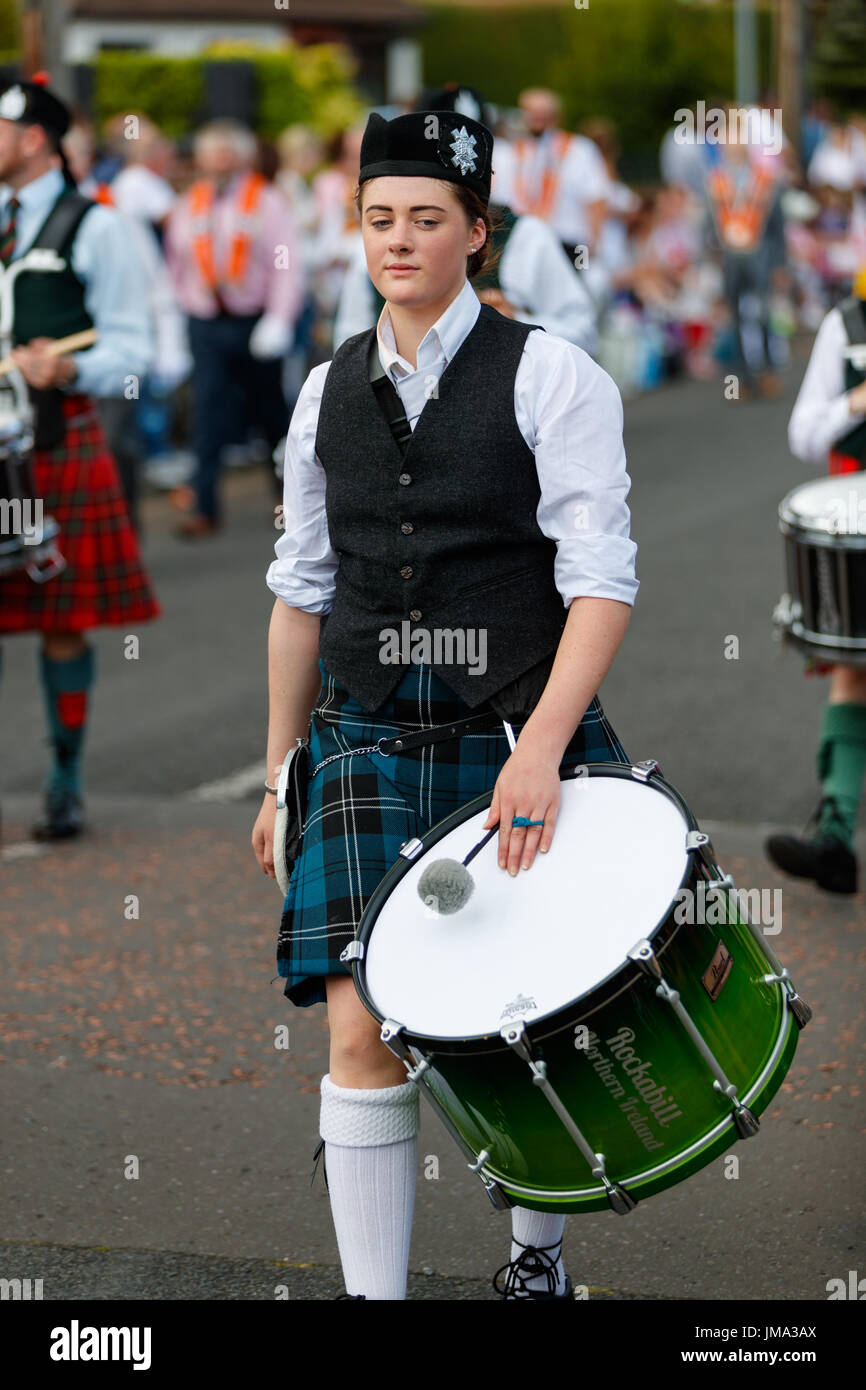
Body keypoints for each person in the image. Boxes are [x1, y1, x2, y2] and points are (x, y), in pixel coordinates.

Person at [253, 108, 639, 1300]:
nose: (398, 241)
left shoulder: (551, 373)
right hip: (362, 734)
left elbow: (601, 581)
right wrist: (279, 770)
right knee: (361, 1029)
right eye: (378, 220)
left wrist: (546, 751)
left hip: (512, 725)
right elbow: (299, 592)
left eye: (426, 220)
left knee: (520, 1016)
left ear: (476, 234)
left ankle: (535, 1261)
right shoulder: (321, 391)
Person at [0, 74, 160, 840]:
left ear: (31, 137)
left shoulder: (95, 226)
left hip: (53, 444)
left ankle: (64, 779)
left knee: (60, 620)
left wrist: (69, 369)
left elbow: (138, 352)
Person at [333, 86, 597, 355]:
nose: (399, 240)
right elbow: (348, 343)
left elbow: (582, 333)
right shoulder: (372, 245)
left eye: (427, 221)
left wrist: (516, 323)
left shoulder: (526, 235)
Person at [764, 266, 866, 894]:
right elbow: (803, 434)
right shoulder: (847, 322)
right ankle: (835, 837)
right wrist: (856, 402)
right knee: (855, 667)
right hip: (859, 516)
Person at [163, 119, 305, 535]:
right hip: (205, 323)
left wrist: (279, 319)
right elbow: (174, 266)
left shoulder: (268, 200)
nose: (221, 160)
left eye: (229, 151)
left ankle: (288, 503)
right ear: (202, 158)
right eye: (213, 151)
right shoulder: (189, 203)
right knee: (206, 414)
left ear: (243, 156)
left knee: (271, 415)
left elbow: (287, 263)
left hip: (254, 322)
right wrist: (172, 324)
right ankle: (204, 508)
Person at [510, 87, 610, 263]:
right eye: (531, 112)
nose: (537, 120)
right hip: (524, 244)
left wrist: (593, 247)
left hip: (569, 242)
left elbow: (596, 198)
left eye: (544, 114)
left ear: (556, 117)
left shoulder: (579, 149)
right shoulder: (513, 151)